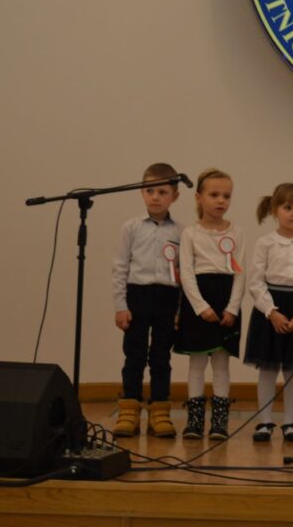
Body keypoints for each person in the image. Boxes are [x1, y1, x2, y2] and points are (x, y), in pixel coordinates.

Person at [244, 183, 293, 443]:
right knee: (267, 370)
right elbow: (255, 282)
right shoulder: (265, 243)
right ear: (274, 210)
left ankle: (290, 422)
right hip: (272, 311)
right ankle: (265, 422)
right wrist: (271, 312)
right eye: (288, 207)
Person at [110, 162, 184, 438]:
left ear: (174, 196)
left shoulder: (181, 232)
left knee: (161, 357)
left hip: (167, 297)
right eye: (149, 190)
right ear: (141, 192)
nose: (155, 197)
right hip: (137, 295)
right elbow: (120, 267)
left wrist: (179, 310)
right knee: (134, 355)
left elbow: (183, 274)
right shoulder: (130, 228)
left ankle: (160, 411)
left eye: (162, 191)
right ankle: (129, 410)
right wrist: (121, 305)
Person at [175, 168, 245, 440]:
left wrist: (232, 308)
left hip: (225, 297)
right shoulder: (190, 233)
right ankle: (194, 419)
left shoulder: (237, 232)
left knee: (221, 362)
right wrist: (199, 306)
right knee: (196, 363)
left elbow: (240, 272)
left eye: (226, 196)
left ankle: (219, 420)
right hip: (199, 301)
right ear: (198, 198)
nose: (221, 201)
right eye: (214, 194)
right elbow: (187, 273)